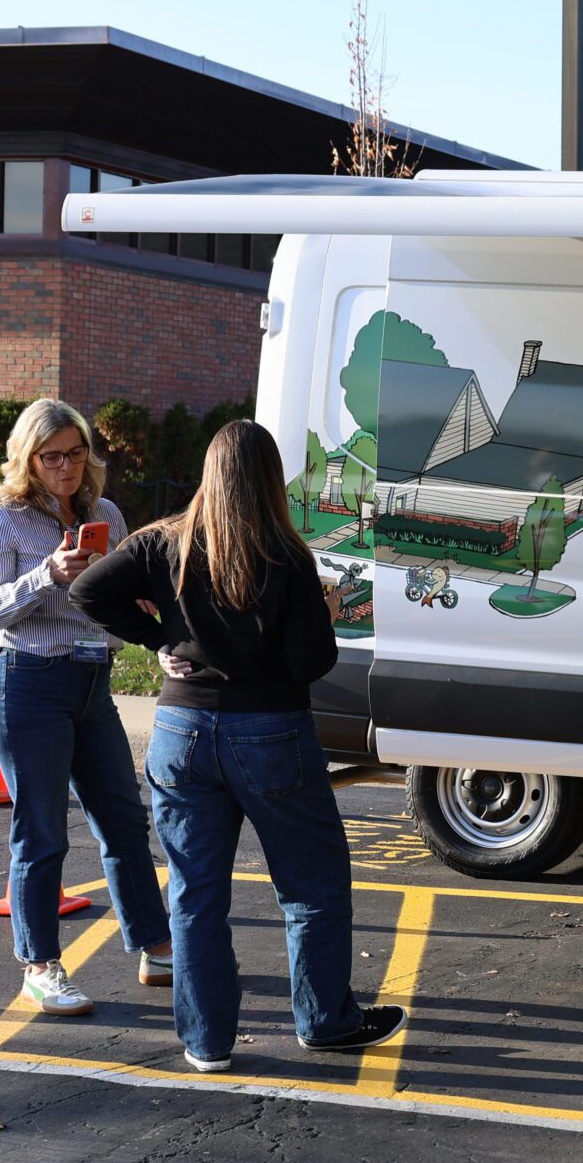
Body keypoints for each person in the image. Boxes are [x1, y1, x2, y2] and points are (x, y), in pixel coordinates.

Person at [70, 420, 402, 1073]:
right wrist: (326, 614)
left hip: (181, 733)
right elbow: (309, 662)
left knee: (195, 894)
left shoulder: (163, 542)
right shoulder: (287, 556)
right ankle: (324, 1021)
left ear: (209, 474)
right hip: (271, 733)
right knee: (312, 884)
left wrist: (160, 638)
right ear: (270, 480)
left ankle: (206, 1042)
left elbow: (86, 589)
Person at [0, 399, 172, 1018]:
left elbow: (123, 594)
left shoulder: (104, 513)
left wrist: (147, 610)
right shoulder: (1, 517)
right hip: (25, 683)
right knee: (42, 831)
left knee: (123, 820)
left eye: (76, 453)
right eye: (52, 456)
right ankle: (39, 966)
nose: (67, 466)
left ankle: (158, 947)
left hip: (90, 682)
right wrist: (47, 575)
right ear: (27, 459)